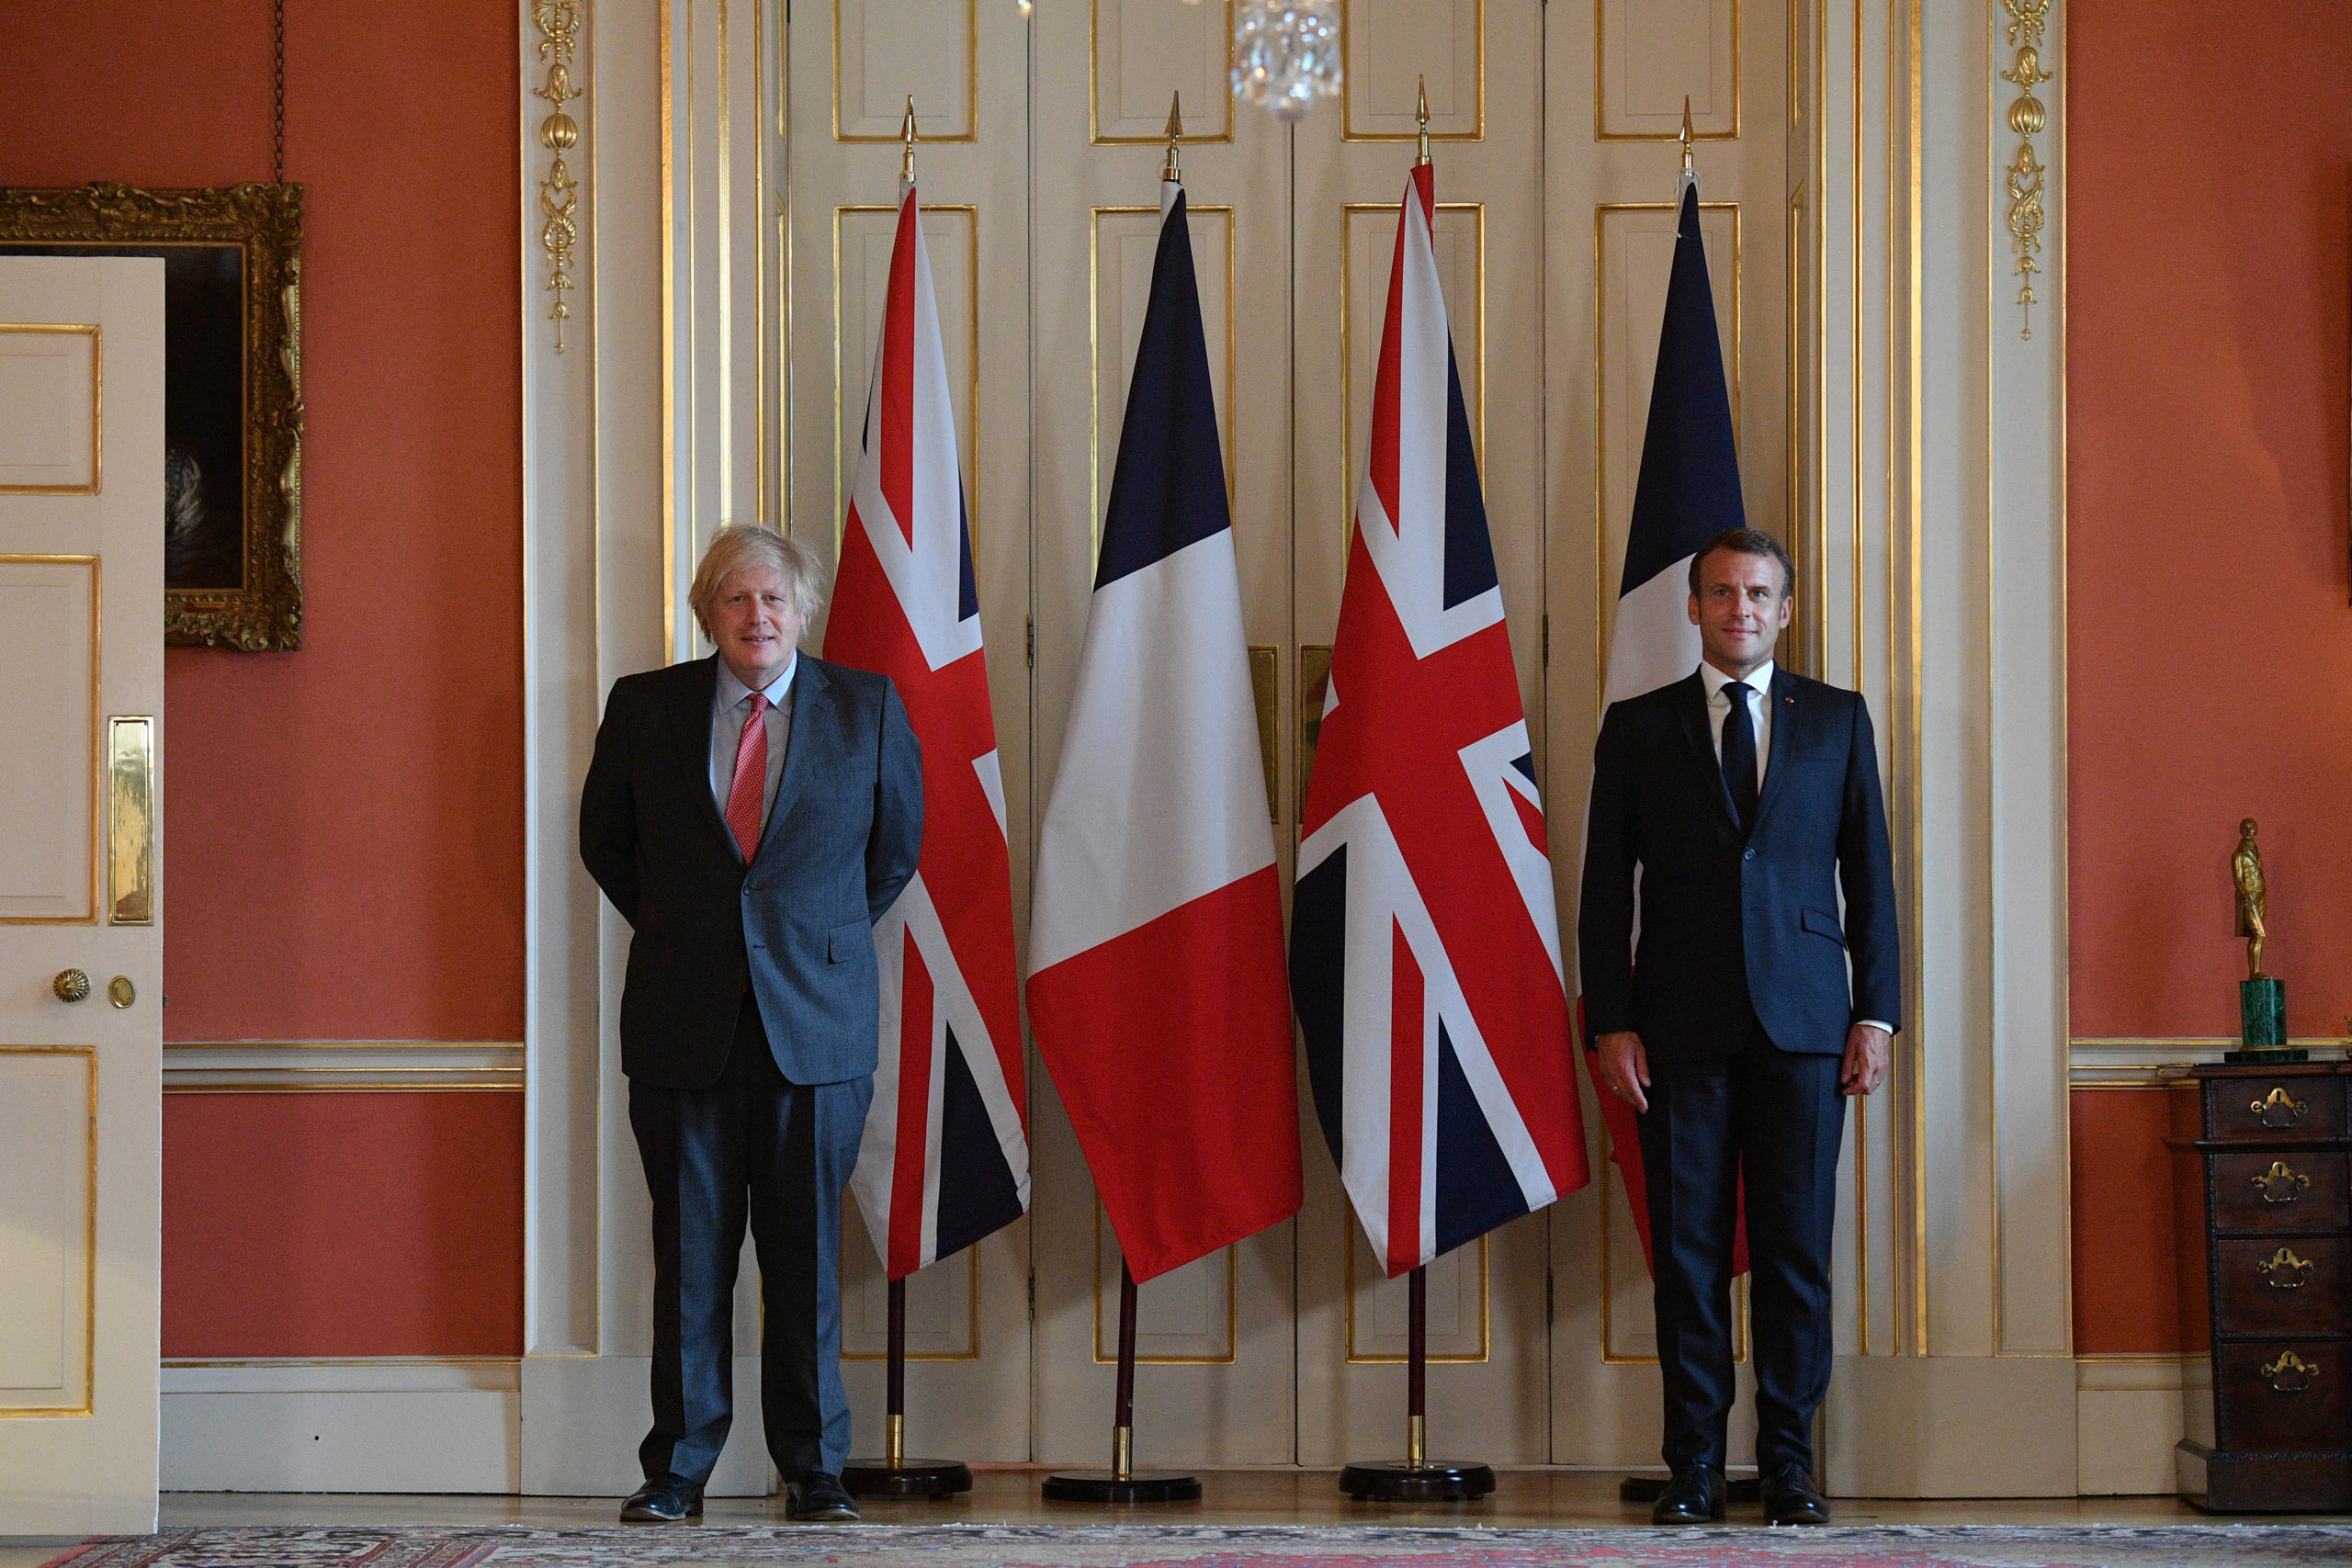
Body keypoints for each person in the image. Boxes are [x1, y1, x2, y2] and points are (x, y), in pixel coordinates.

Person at [580, 523, 922, 1524]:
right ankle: (676, 1471)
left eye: (774, 599)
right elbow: (609, 844)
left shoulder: (863, 708)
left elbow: (892, 852)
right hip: (683, 1024)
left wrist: (796, 944)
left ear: (802, 613)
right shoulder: (646, 708)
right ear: (709, 613)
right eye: (737, 598)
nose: (757, 616)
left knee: (806, 1259)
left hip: (815, 1032)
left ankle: (814, 1472)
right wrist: (699, 936)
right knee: (690, 1256)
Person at [1577, 527, 1900, 1528]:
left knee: (1797, 1255)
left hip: (1807, 1027)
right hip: (1676, 1028)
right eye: (1721, 594)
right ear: (1694, 609)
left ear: (1785, 608)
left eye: (1759, 593)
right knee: (1689, 1256)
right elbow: (1599, 895)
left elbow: (1871, 883)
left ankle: (1794, 1468)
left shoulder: (1838, 721)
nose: (1741, 610)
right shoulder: (1638, 727)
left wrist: (1875, 1015)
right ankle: (1696, 1471)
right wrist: (1611, 1024)